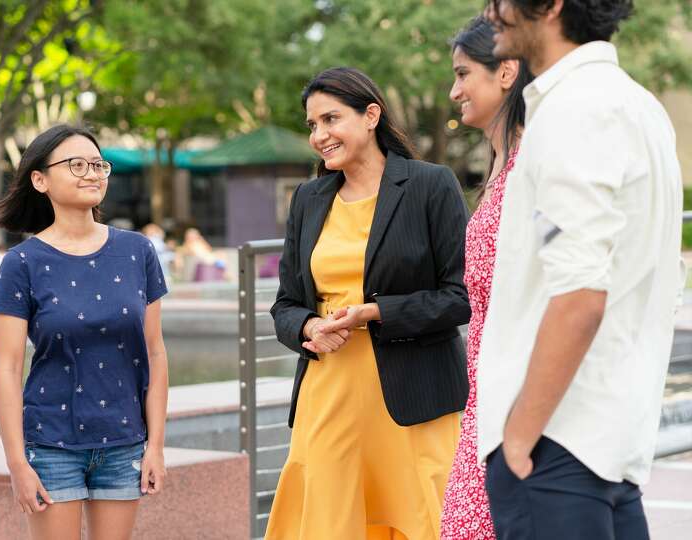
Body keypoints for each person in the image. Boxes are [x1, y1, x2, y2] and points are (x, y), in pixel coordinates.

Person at [478, 2, 684, 538]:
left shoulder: (572, 110)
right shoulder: (641, 108)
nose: (489, 12)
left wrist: (519, 438)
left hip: (554, 447)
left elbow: (580, 295)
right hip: (607, 445)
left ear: (550, 6)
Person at [265, 67, 471, 540]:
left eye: (331, 119)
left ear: (371, 115)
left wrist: (374, 313)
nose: (319, 135)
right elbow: (285, 306)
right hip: (329, 395)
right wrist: (309, 328)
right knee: (329, 523)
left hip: (414, 397)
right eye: (312, 125)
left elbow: (461, 297)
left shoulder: (430, 185)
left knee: (424, 520)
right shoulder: (309, 199)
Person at [0, 125, 169, 540]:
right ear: (40, 180)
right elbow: (7, 367)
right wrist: (17, 463)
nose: (92, 173)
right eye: (76, 165)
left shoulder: (137, 251)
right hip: (51, 443)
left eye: (97, 164)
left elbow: (156, 353)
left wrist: (156, 446)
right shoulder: (22, 263)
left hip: (124, 440)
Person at [441, 16, 533, 540]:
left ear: (506, 73)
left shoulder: (531, 166)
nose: (454, 90)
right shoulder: (500, 166)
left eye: (463, 73)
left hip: (516, 405)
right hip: (486, 397)